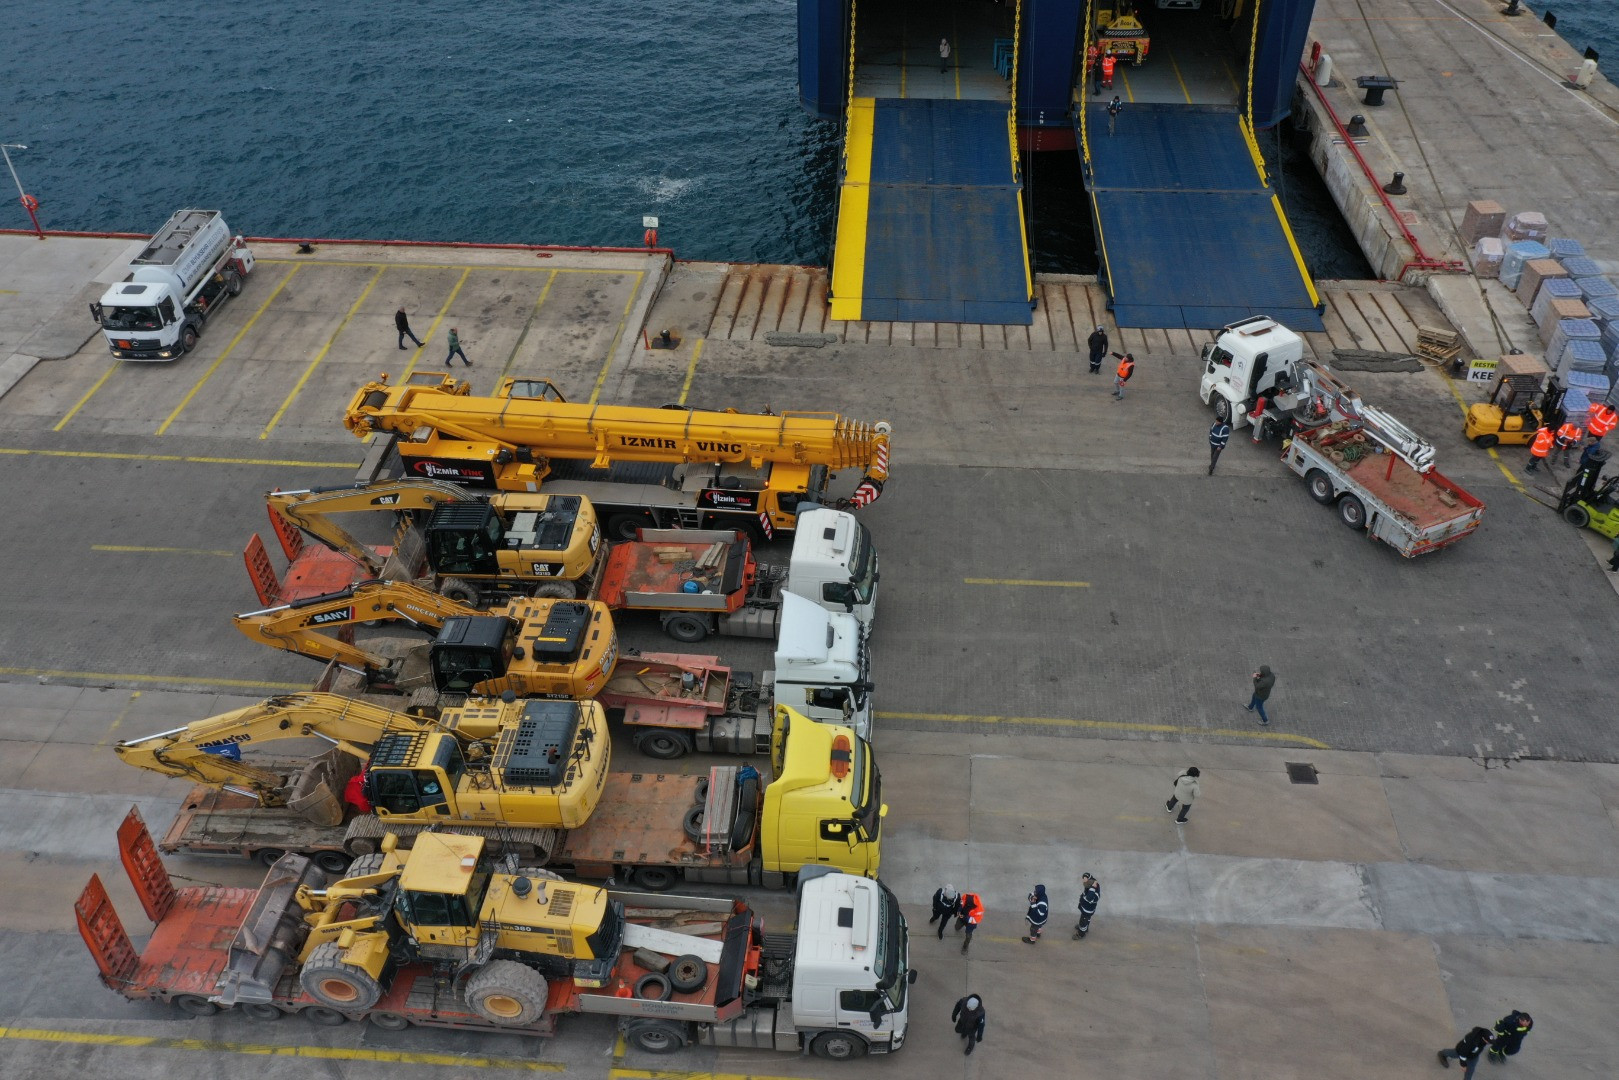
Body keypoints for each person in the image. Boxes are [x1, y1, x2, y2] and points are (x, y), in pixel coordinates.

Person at [1073, 873, 1101, 939]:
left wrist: (1093, 888)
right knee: (1086, 919)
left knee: (1083, 921)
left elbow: (1089, 898)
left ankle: (1081, 934)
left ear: (1089, 879)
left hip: (1087, 910)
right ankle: (1085, 928)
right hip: (1085, 908)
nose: (1083, 880)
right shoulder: (1088, 885)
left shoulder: (1093, 889)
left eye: (1084, 879)